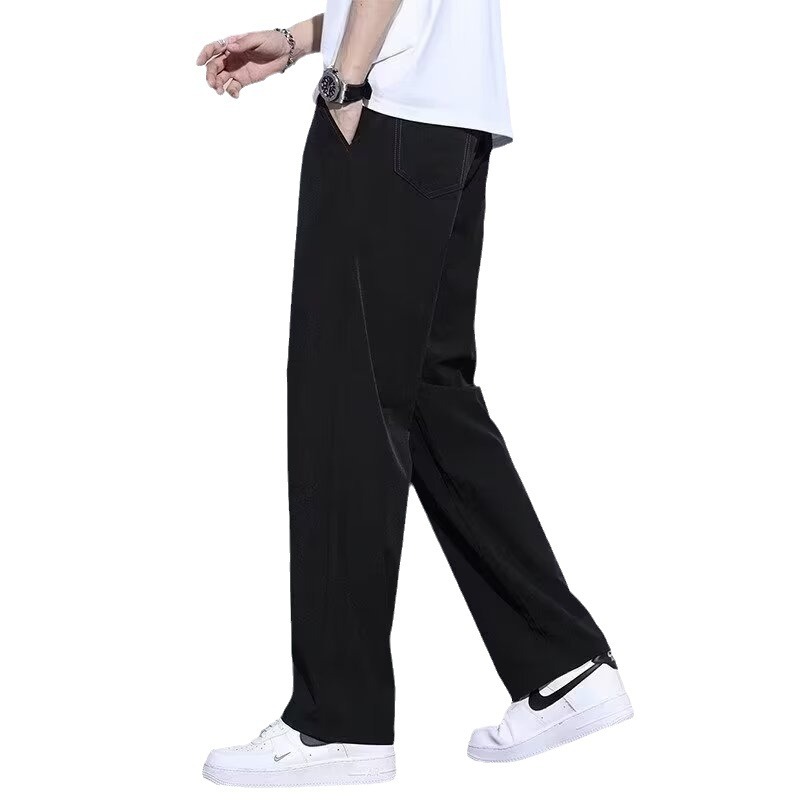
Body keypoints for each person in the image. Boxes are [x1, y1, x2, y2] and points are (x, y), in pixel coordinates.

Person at [196, 1, 632, 787]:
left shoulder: (367, 94)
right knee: (431, 398)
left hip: (387, 114)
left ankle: (337, 720)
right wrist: (300, 42)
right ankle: (564, 667)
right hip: (451, 124)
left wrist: (346, 81)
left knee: (344, 402)